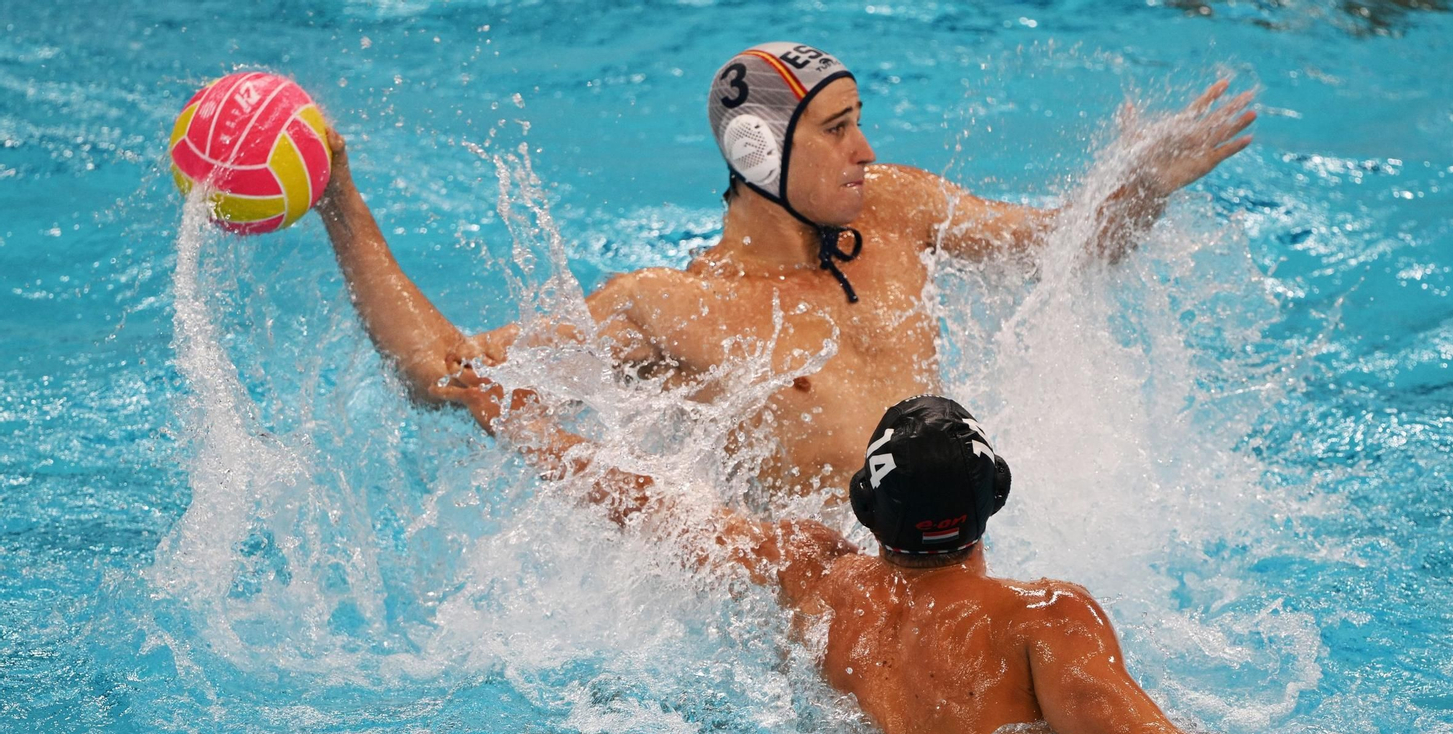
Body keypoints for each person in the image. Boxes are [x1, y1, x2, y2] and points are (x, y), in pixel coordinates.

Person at [456, 375, 1384, 734]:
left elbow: (662, 510)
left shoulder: (823, 582)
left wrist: (522, 423)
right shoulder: (1043, 619)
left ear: (867, 508)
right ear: (995, 497)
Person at [318, 42, 1256, 500]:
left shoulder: (895, 209)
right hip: (829, 620)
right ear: (760, 150)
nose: (865, 151)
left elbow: (1060, 251)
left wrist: (1137, 188)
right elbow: (446, 372)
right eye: (838, 129)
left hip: (950, 551)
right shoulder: (668, 310)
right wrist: (340, 202)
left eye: (860, 123)